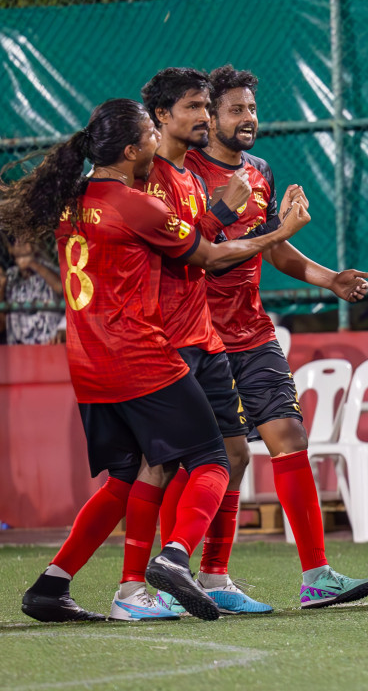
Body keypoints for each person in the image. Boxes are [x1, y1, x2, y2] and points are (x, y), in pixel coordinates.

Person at [8, 99, 310, 623]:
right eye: (149, 133)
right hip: (141, 358)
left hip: (88, 362)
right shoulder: (136, 203)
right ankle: (173, 560)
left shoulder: (73, 199)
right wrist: (280, 233)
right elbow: (209, 256)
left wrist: (213, 216)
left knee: (127, 477)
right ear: (131, 150)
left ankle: (52, 585)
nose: (155, 141)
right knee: (216, 459)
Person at [185, 65, 368, 609]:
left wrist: (330, 277)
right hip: (202, 337)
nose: (248, 119)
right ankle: (203, 577)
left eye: (251, 109)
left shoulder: (261, 171)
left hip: (254, 333)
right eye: (235, 110)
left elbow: (273, 248)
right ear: (209, 118)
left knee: (289, 438)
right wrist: (268, 228)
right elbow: (199, 257)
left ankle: (316, 576)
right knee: (224, 460)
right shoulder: (186, 172)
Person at [136, 68, 276, 614]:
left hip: (208, 339)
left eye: (203, 106)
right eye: (195, 107)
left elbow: (203, 245)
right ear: (163, 118)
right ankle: (137, 583)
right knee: (158, 467)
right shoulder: (153, 177)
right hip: (166, 340)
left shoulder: (195, 177)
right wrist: (266, 226)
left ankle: (208, 574)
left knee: (231, 456)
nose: (202, 116)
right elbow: (198, 253)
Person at [2, 238, 66, 344]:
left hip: (48, 343)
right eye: (15, 241)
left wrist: (32, 263)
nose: (21, 243)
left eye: (25, 238)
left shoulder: (48, 269)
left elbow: (61, 288)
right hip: (18, 346)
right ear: (10, 249)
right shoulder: (10, 277)